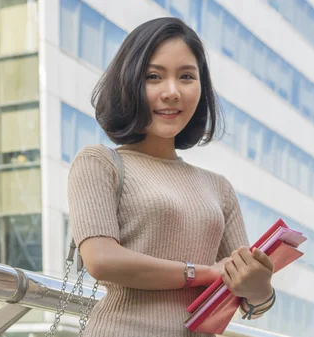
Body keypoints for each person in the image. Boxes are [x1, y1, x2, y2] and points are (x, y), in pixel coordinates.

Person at [67, 17, 275, 337]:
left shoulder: (218, 187)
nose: (172, 92)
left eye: (187, 76)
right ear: (129, 82)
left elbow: (240, 292)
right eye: (154, 76)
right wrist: (203, 274)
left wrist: (261, 290)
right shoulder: (99, 163)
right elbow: (102, 260)